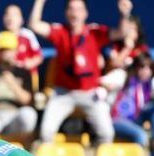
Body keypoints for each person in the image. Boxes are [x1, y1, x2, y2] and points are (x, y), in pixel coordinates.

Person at [29, 0, 134, 145]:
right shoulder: (60, 32)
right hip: (63, 93)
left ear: (85, 13)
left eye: (79, 9)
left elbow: (120, 33)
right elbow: (34, 25)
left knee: (106, 133)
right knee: (46, 131)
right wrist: (39, 2)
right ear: (66, 13)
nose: (75, 13)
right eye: (71, 9)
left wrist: (125, 13)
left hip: (90, 93)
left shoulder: (94, 32)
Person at [102, 53, 154, 156]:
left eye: (149, 68)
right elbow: (101, 81)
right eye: (142, 67)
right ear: (135, 67)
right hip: (117, 119)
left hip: (136, 119)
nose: (146, 71)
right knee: (141, 135)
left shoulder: (150, 82)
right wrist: (107, 87)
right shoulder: (123, 76)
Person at [0, 4, 44, 76]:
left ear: (21, 19)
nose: (10, 18)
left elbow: (39, 57)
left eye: (14, 15)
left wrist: (27, 64)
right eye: (7, 15)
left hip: (26, 77)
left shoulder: (28, 35)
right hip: (3, 78)